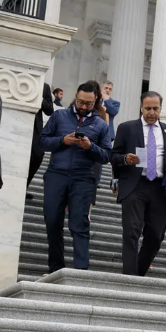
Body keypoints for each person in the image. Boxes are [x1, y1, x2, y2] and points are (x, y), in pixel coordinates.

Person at [40, 80, 112, 272]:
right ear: (75, 97)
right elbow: (43, 141)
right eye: (80, 102)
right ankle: (55, 269)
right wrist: (62, 141)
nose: (83, 106)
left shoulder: (101, 125)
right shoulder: (59, 116)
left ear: (95, 101)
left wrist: (91, 147)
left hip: (83, 177)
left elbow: (106, 156)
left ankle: (81, 271)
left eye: (88, 103)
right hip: (56, 174)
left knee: (79, 224)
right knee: (52, 221)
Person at [110, 92, 166, 276]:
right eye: (148, 108)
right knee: (132, 230)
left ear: (160, 109)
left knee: (156, 236)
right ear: (141, 108)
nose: (152, 113)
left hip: (160, 188)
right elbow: (113, 155)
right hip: (135, 185)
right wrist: (125, 158)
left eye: (155, 108)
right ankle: (130, 277)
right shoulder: (127, 128)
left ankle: (138, 273)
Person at [26, 83, 55, 189]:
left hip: (35, 128)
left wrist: (39, 97)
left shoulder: (44, 86)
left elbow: (49, 110)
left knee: (37, 156)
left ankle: (25, 187)